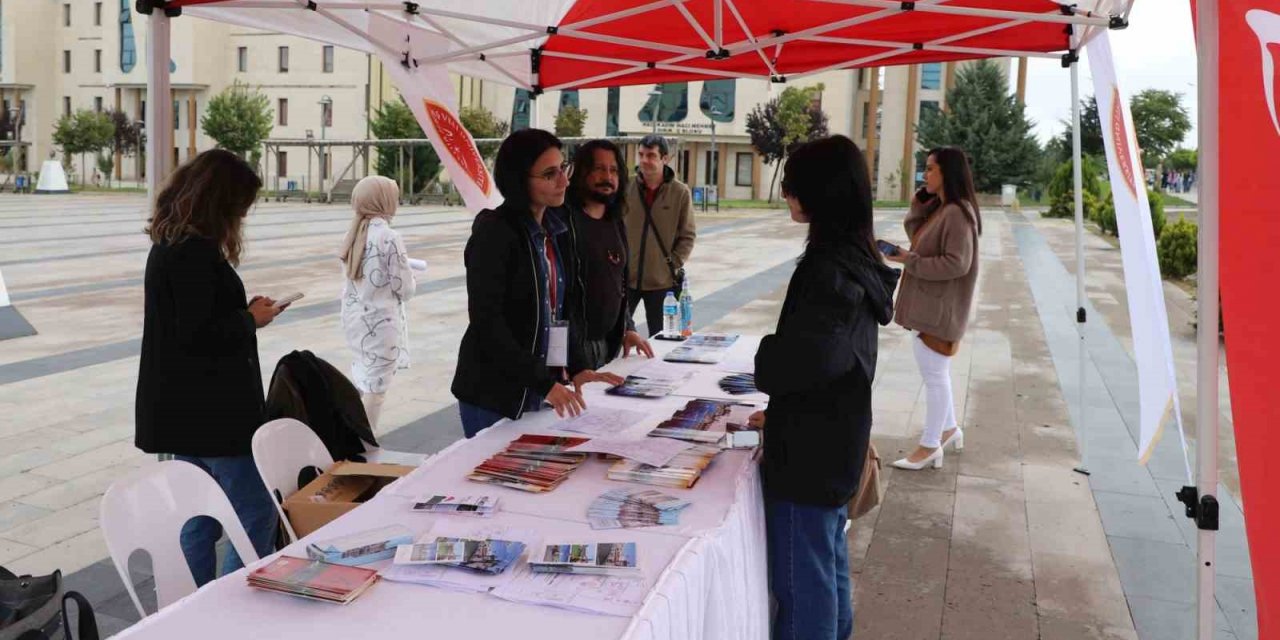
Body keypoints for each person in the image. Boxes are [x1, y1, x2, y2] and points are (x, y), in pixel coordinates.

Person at [752, 135, 899, 640]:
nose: (787, 195)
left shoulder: (829, 270)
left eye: (794, 186)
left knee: (804, 593)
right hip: (833, 439)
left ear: (821, 193)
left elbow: (809, 359)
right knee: (827, 574)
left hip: (810, 458)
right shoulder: (852, 257)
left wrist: (767, 357)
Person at [134, 149, 283, 586]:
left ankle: (191, 605)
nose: (242, 216)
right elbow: (198, 333)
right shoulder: (193, 252)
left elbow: (191, 321)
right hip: (215, 413)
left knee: (198, 517)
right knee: (254, 513)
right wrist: (249, 319)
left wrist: (243, 310)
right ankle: (229, 604)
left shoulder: (170, 244)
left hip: (183, 409)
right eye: (240, 206)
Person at [451, 129, 622, 438]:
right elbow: (488, 323)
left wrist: (578, 367)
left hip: (540, 391)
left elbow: (561, 312)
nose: (564, 181)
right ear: (519, 180)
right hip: (494, 396)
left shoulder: (556, 230)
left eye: (563, 168)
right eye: (549, 174)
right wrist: (543, 382)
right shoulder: (495, 232)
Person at [886, 146, 982, 470]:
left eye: (930, 169)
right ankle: (950, 430)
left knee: (935, 377)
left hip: (939, 311)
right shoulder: (944, 209)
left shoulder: (957, 213)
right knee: (936, 373)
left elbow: (957, 263)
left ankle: (930, 445)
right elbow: (918, 236)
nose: (924, 174)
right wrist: (920, 203)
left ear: (947, 173)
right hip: (932, 306)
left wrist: (909, 260)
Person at [338, 175, 422, 429]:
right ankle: (365, 440)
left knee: (363, 378)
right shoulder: (389, 237)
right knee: (377, 389)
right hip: (380, 325)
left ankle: (348, 430)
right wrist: (411, 274)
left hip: (355, 321)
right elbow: (404, 289)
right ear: (382, 201)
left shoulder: (354, 233)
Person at [564, 139, 654, 370]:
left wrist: (628, 328)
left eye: (613, 170)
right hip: (573, 354)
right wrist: (574, 361)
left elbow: (618, 284)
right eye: (599, 168)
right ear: (581, 172)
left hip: (610, 347)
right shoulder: (562, 223)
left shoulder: (615, 221)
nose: (608, 177)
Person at [622, 134, 696, 336]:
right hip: (626, 278)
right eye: (641, 155)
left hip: (662, 283)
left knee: (662, 338)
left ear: (665, 158)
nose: (644, 160)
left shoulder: (680, 193)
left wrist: (672, 263)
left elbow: (688, 235)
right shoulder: (626, 188)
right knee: (615, 334)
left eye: (651, 155)